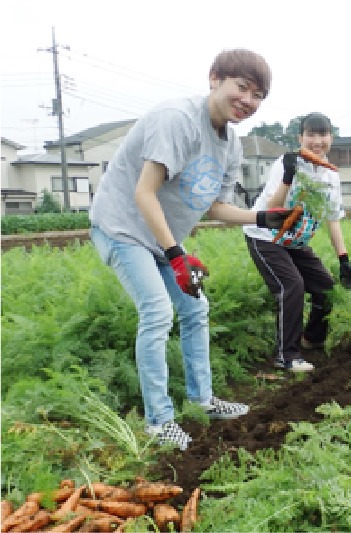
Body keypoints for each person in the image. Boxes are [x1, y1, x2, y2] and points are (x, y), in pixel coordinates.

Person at [89, 49, 301, 450]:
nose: (248, 101)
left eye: (258, 96)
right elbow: (144, 193)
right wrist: (176, 254)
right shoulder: (178, 120)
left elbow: (212, 206)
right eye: (242, 88)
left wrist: (263, 219)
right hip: (122, 226)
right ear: (214, 78)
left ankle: (202, 400)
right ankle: (158, 421)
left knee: (195, 309)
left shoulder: (230, 144)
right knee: (157, 311)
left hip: (160, 236)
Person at [243, 112, 351, 372]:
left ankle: (311, 339)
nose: (317, 141)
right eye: (311, 135)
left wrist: (344, 259)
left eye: (322, 134)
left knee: (326, 287)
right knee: (291, 286)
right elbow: (272, 208)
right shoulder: (287, 161)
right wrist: (288, 176)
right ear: (301, 138)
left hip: (294, 241)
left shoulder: (330, 176)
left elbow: (332, 219)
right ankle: (286, 355)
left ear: (331, 138)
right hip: (266, 235)